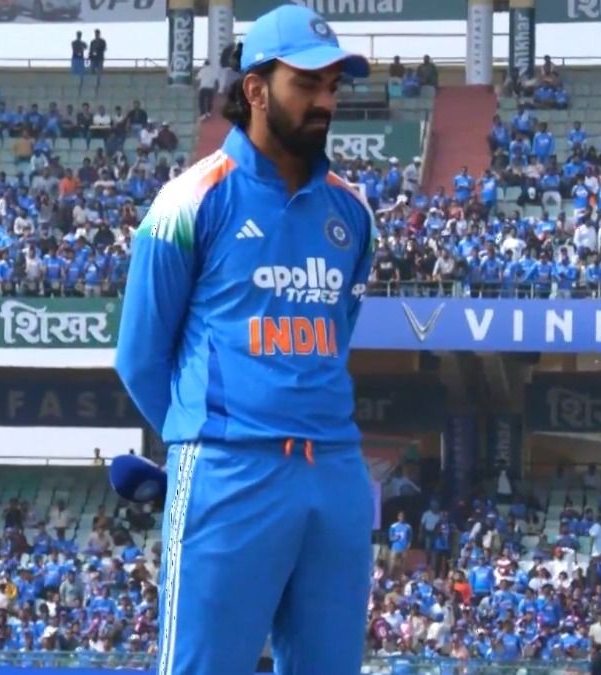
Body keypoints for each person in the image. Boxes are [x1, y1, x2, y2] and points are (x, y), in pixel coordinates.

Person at [114, 6, 375, 674]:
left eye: (334, 85)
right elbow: (140, 357)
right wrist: (203, 438)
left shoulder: (352, 211)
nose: (326, 100)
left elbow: (332, 341)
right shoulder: (189, 200)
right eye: (307, 84)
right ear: (255, 90)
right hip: (229, 471)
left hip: (336, 472)